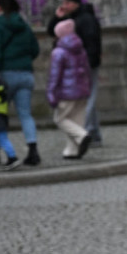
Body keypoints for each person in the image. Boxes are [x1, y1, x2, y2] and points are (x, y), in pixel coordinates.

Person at [0, 0, 41, 165]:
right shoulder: (25, 25)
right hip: (25, 75)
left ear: (0, 7)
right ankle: (33, 150)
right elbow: (35, 49)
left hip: (5, 76)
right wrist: (24, 62)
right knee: (26, 114)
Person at [47, 0, 103, 145]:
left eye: (67, 2)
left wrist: (89, 64)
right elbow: (52, 32)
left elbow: (92, 42)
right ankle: (94, 134)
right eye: (63, 2)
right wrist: (57, 17)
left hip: (84, 65)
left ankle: (84, 134)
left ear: (75, 3)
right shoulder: (70, 18)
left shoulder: (86, 19)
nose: (64, 5)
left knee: (87, 99)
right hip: (76, 65)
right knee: (86, 97)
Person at [46, 19, 93, 160]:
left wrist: (51, 94)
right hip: (82, 90)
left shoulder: (58, 52)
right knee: (76, 120)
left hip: (67, 93)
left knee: (60, 119)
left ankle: (82, 136)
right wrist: (88, 86)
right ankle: (72, 151)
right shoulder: (81, 48)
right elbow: (87, 70)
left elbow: (54, 76)